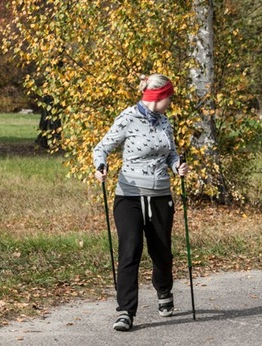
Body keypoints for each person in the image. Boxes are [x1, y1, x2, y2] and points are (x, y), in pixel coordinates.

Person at [93, 73, 189, 331]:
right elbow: (101, 147)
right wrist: (100, 166)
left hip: (160, 195)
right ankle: (125, 311)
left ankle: (164, 292)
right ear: (158, 96)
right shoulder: (128, 118)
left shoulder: (165, 121)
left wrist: (177, 164)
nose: (171, 101)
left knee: (161, 252)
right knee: (130, 250)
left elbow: (170, 153)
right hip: (129, 196)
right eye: (169, 96)